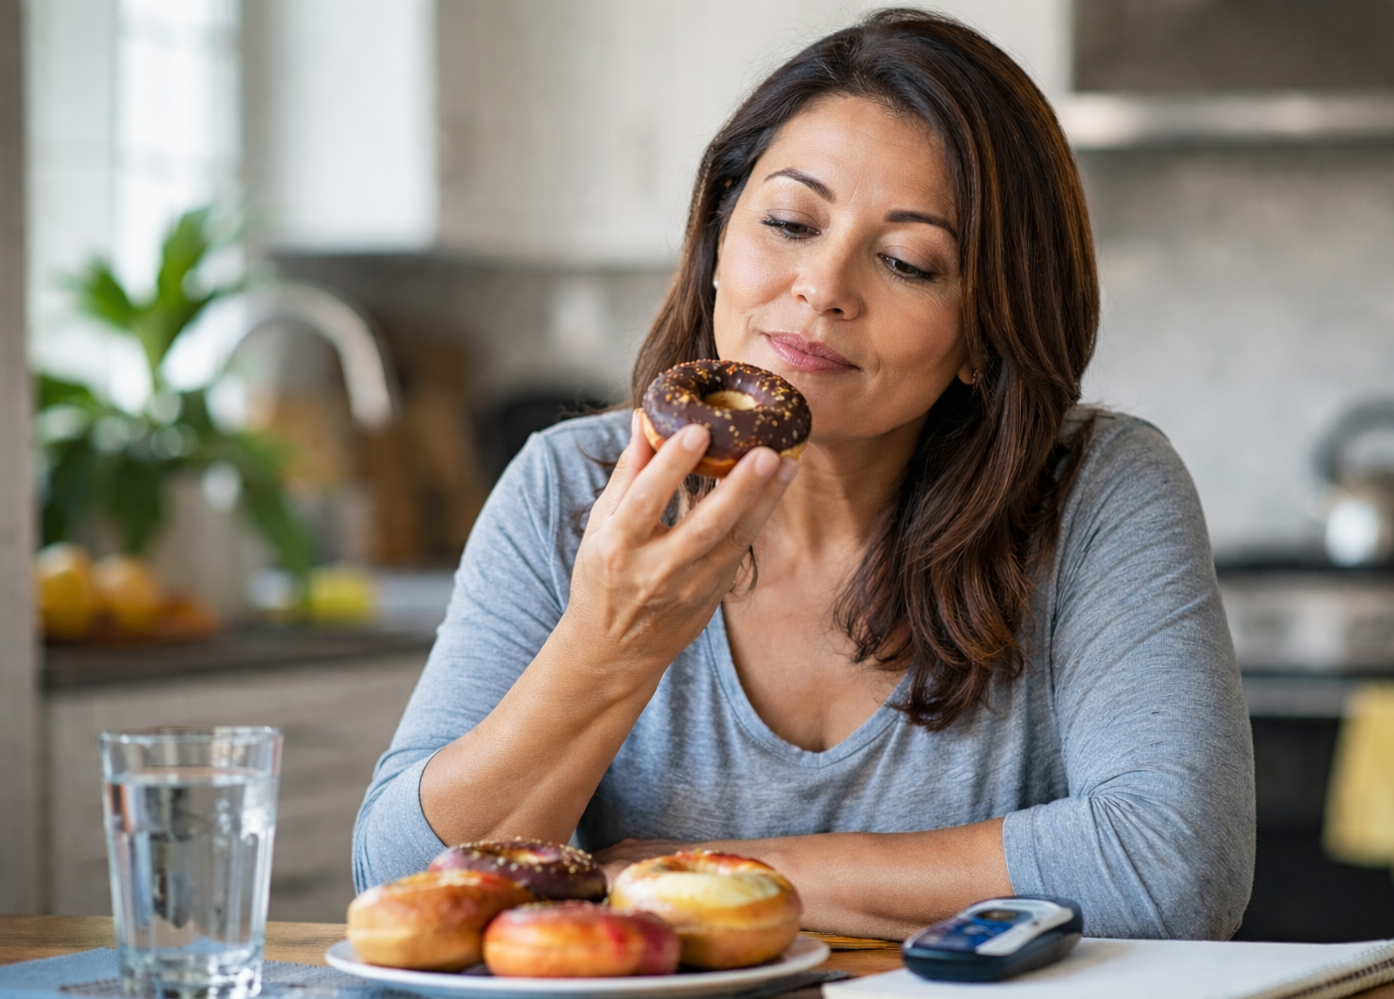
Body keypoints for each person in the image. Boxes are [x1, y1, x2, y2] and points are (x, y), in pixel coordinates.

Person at [354, 9, 1254, 941]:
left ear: (985, 335)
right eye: (789, 221)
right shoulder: (569, 487)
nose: (823, 284)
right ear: (714, 245)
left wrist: (690, 877)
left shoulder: (1100, 490)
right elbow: (402, 886)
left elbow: (1173, 870)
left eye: (908, 261)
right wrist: (609, 647)